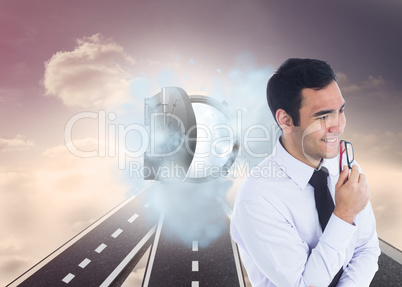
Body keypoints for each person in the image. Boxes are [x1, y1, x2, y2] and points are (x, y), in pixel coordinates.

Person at [230, 58, 380, 286]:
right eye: (323, 116)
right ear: (286, 120)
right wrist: (344, 215)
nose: (338, 126)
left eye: (341, 111)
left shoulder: (344, 163)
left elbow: (367, 249)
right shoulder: (257, 200)